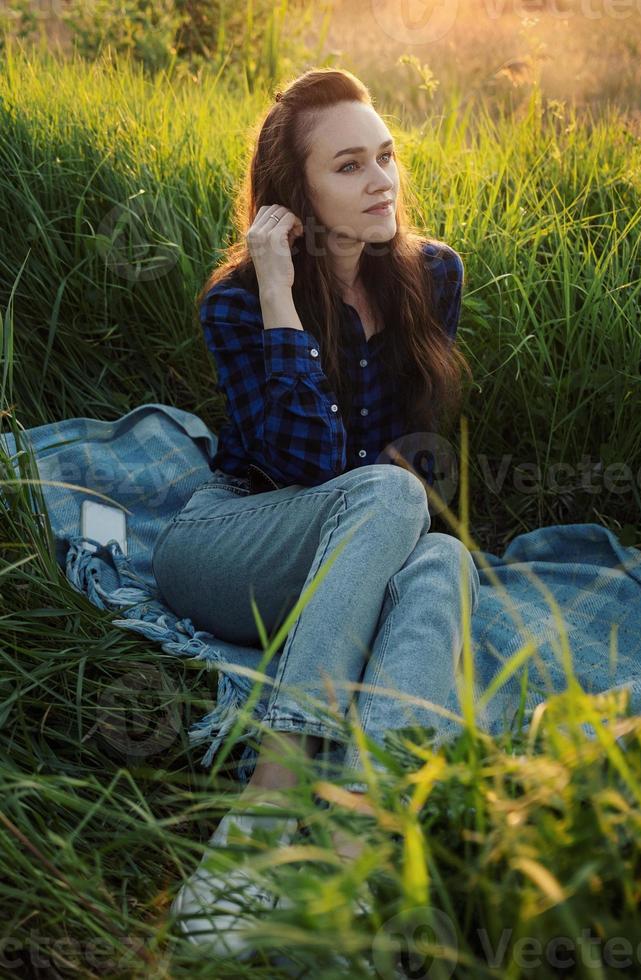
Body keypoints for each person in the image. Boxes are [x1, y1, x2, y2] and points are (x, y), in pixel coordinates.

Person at [152, 66, 480, 956]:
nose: (382, 182)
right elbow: (306, 465)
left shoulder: (432, 276)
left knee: (446, 562)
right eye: (349, 166)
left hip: (361, 536)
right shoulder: (235, 300)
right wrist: (272, 286)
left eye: (386, 156)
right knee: (385, 492)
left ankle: (352, 844)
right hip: (232, 540)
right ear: (294, 196)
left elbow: (411, 446)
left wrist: (403, 534)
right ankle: (269, 800)